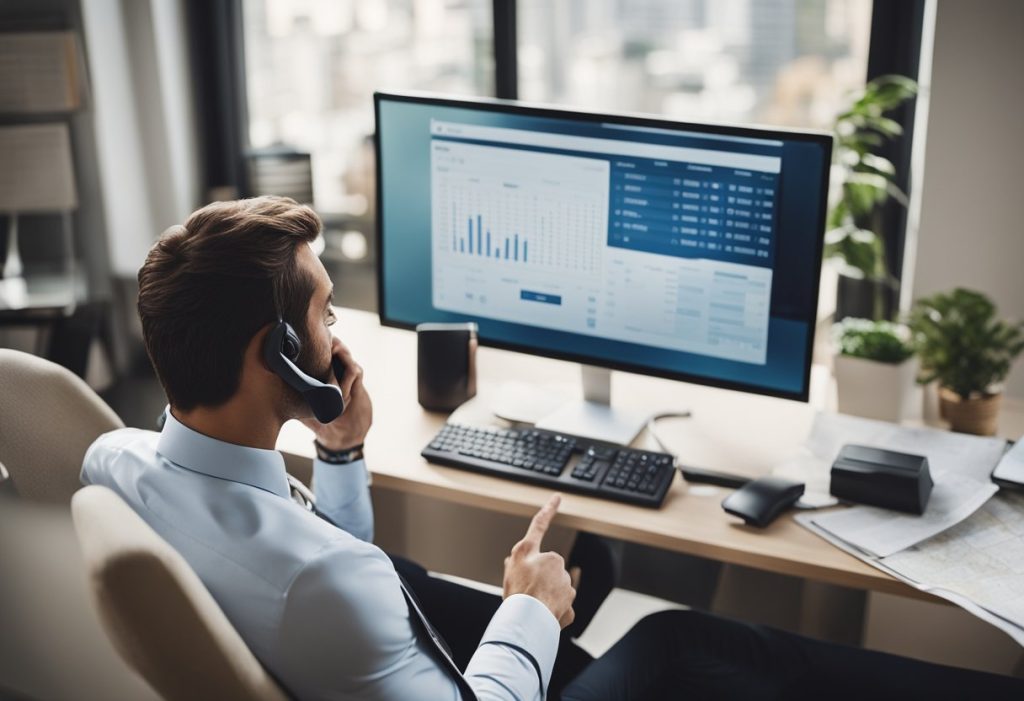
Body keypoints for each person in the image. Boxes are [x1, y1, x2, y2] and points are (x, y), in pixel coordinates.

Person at [83, 197, 1024, 701]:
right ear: (277, 354)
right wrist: (526, 615)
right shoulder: (330, 589)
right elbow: (341, 578)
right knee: (680, 637)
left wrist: (340, 451)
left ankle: (566, 613)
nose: (338, 330)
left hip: (349, 641)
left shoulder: (116, 461)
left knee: (493, 576)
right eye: (326, 311)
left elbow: (333, 560)